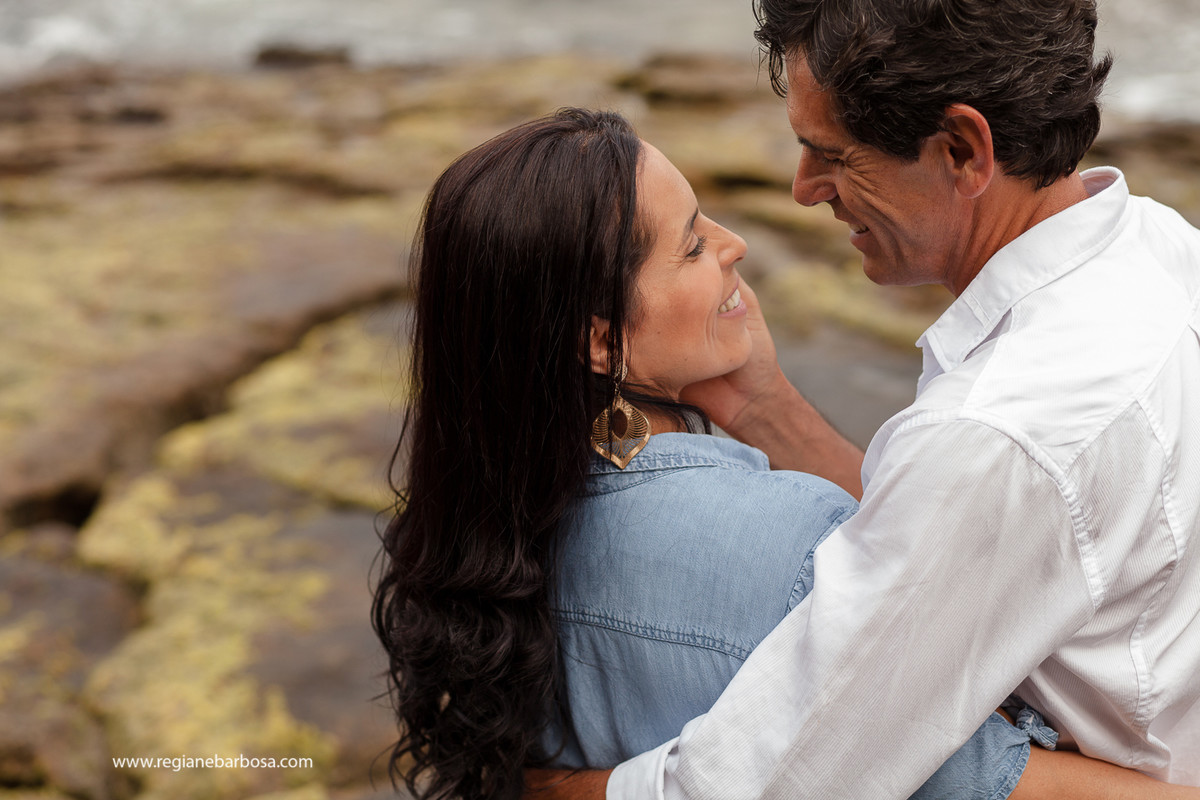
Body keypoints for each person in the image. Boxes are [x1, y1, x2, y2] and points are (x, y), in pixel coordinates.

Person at [370, 108, 1194, 800]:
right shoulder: (798, 544)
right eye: (691, 244)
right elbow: (993, 779)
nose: (733, 243)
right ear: (600, 340)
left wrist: (759, 402)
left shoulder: (480, 536)